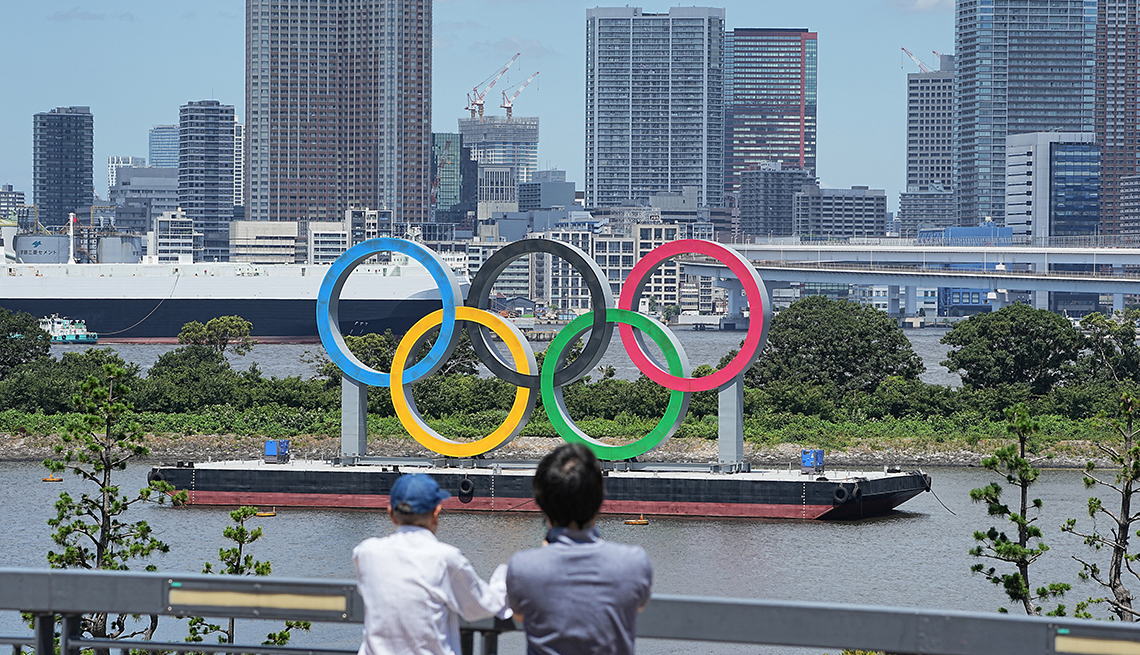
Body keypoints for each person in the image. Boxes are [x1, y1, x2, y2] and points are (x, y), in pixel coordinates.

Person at [507, 443, 653, 655]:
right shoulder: (634, 562)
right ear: (599, 499)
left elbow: (520, 615)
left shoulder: (523, 567)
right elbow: (636, 606)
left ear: (542, 502)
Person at [354, 473, 508, 655]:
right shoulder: (445, 558)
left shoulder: (365, 553)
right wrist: (504, 577)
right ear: (436, 512)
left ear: (391, 514)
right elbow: (481, 607)